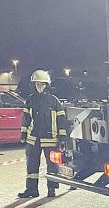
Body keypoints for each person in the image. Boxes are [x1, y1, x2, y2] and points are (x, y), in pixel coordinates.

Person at [18, 70, 70, 198]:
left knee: (51, 166)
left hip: (50, 138)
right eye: (37, 84)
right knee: (31, 166)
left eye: (42, 84)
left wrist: (62, 137)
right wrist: (23, 134)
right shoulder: (30, 100)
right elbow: (26, 119)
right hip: (33, 139)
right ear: (34, 85)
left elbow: (61, 120)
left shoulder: (54, 101)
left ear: (47, 85)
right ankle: (31, 190)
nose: (40, 87)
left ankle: (51, 189)